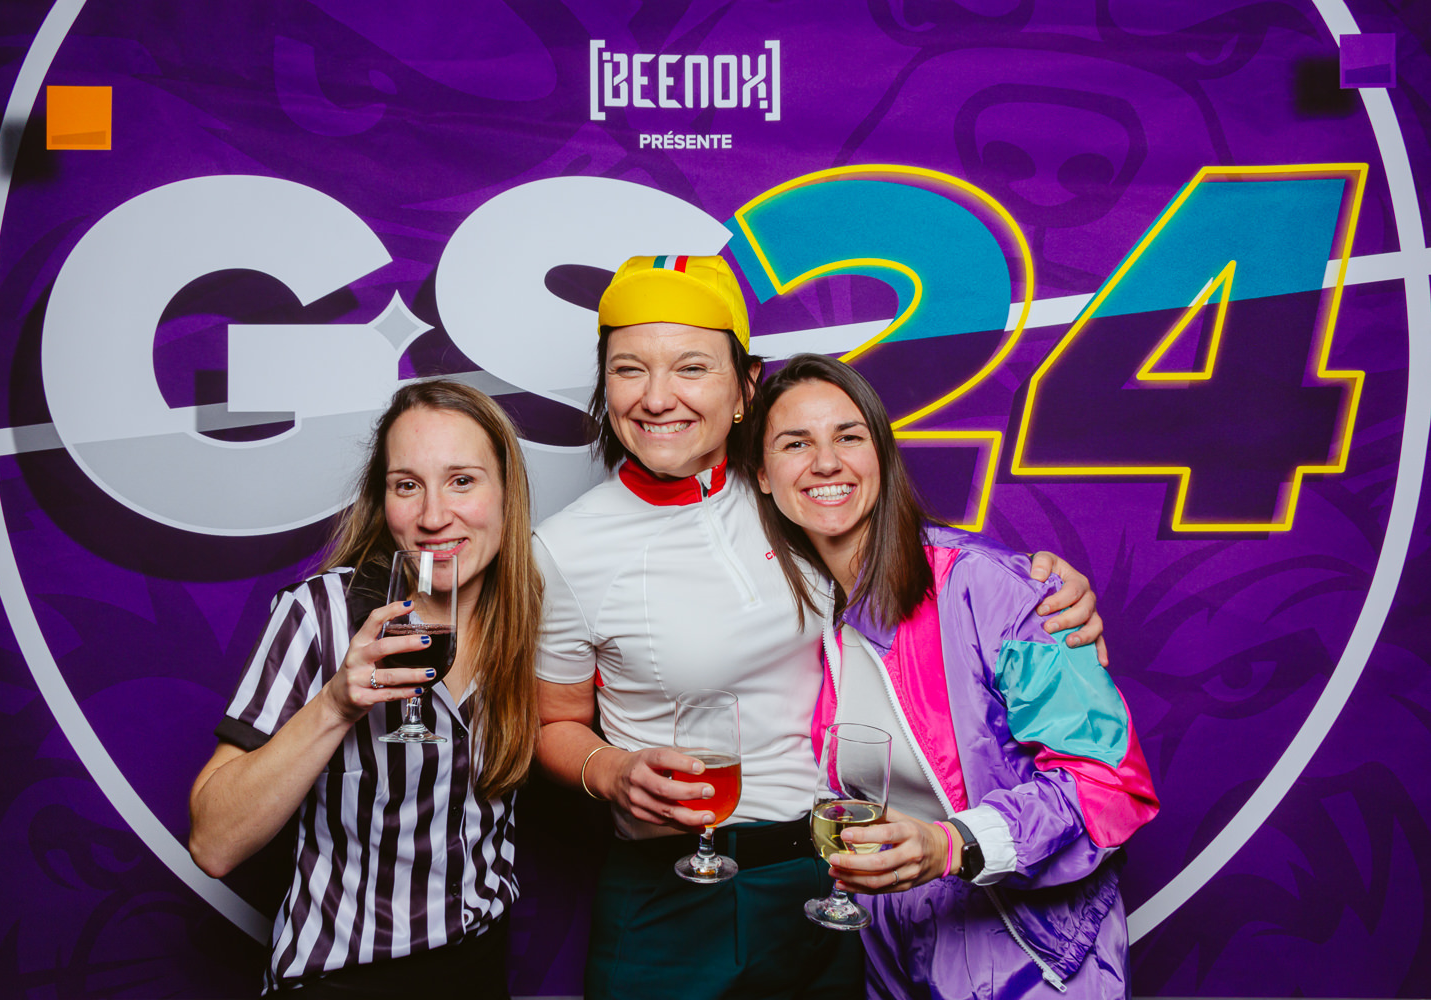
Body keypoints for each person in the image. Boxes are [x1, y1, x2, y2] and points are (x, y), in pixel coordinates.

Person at [533, 255, 1106, 999]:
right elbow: (554, 721)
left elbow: (925, 573)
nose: (657, 396)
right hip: (671, 884)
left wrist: (1039, 590)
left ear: (745, 388)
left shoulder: (795, 490)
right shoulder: (565, 547)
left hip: (828, 879)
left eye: (692, 367)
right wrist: (609, 770)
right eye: (628, 369)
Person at [746, 353, 1159, 999]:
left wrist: (953, 845)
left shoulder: (989, 588)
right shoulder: (804, 612)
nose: (825, 462)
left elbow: (1109, 783)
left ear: (881, 456)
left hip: (1029, 949)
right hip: (888, 944)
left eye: (849, 436)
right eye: (796, 443)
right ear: (762, 476)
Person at [188, 380, 541, 998]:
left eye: (462, 481)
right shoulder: (321, 614)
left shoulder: (535, 615)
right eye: (407, 485)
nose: (434, 516)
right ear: (384, 500)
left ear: (507, 493)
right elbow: (214, 843)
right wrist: (335, 705)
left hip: (479, 968)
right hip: (344, 976)